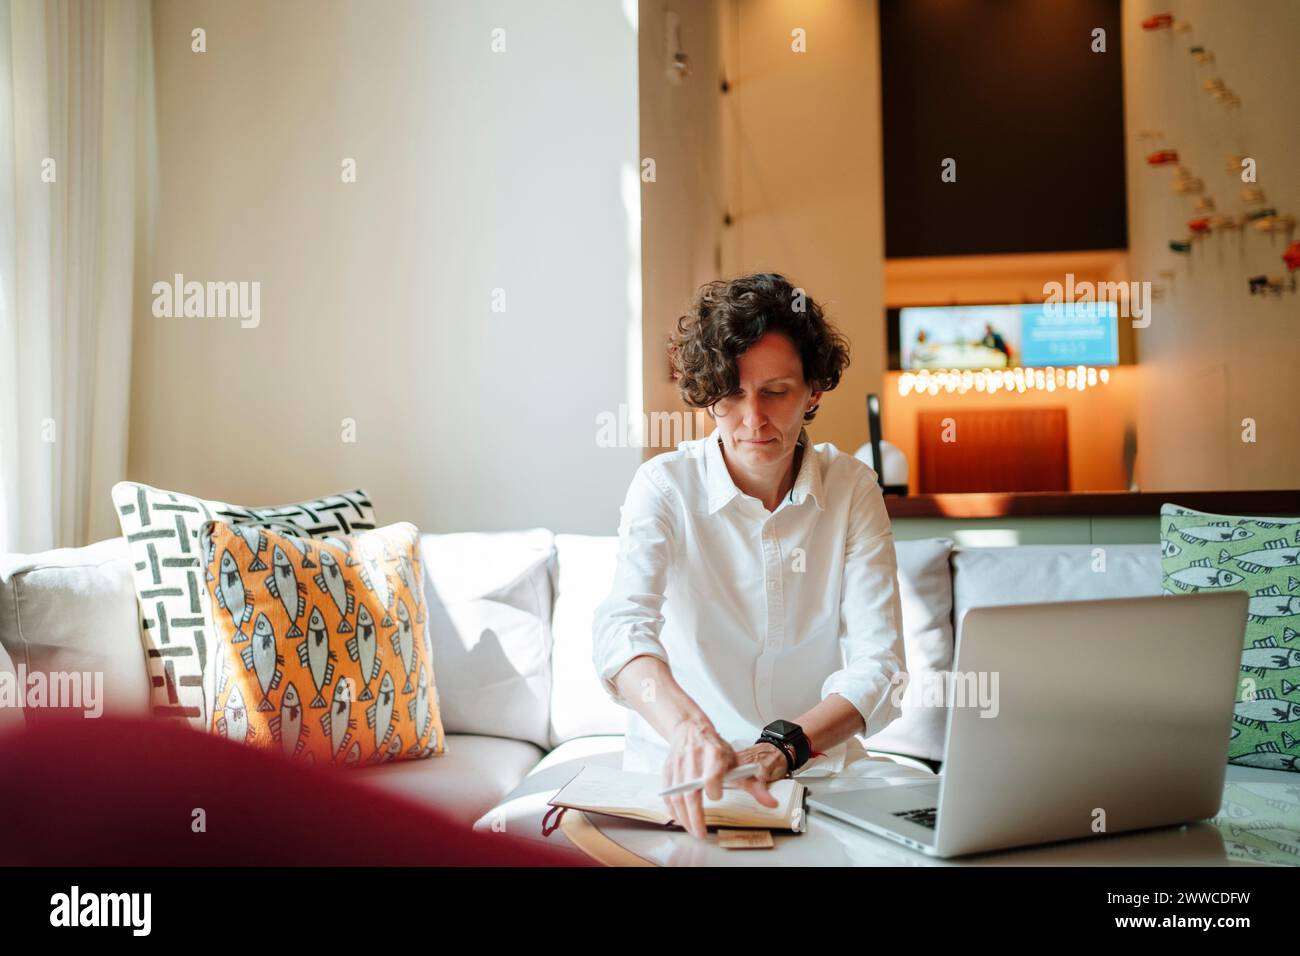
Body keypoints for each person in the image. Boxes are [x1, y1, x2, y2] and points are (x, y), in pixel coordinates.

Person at [591, 272, 906, 840]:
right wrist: (689, 730)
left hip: (812, 768)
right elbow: (622, 630)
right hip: (684, 779)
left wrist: (781, 748)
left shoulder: (853, 487)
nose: (753, 420)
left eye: (775, 392)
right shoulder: (664, 486)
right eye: (732, 394)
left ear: (814, 391)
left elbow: (881, 666)